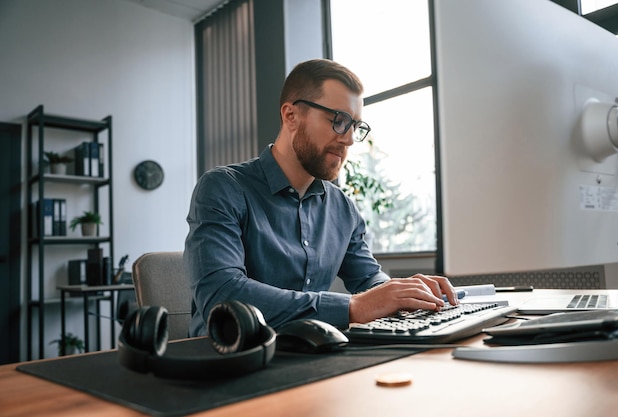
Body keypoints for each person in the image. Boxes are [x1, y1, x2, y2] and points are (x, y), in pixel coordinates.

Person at [184, 58, 458, 337]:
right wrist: (353, 307)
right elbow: (221, 296)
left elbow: (367, 278)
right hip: (229, 361)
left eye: (355, 126)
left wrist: (401, 292)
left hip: (309, 356)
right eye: (339, 121)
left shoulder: (342, 208)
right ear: (291, 116)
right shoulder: (223, 188)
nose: (349, 139)